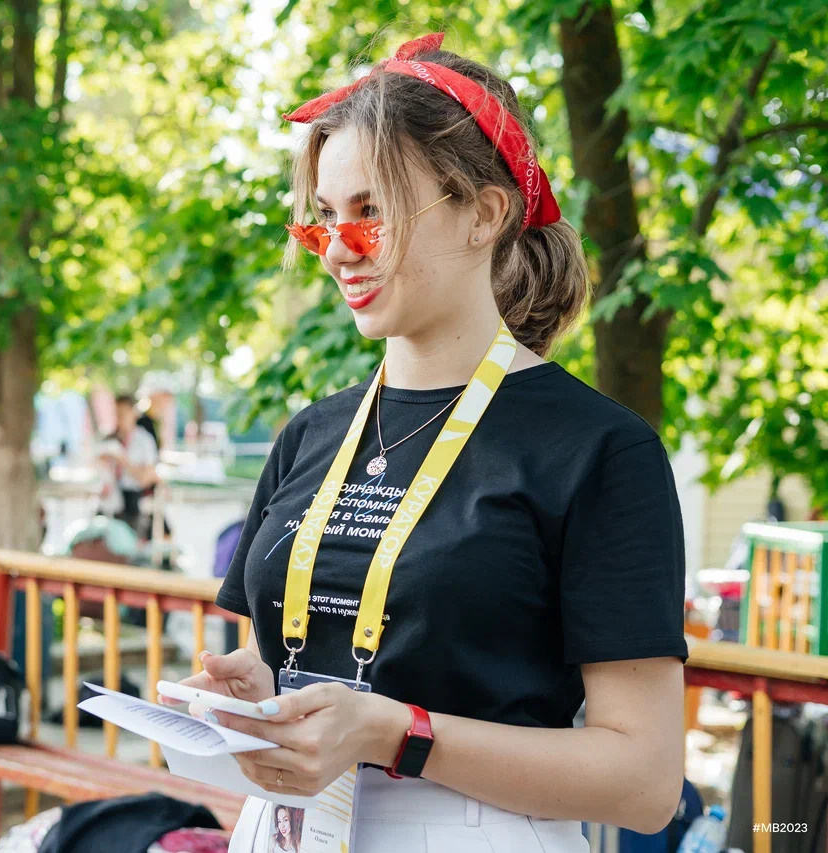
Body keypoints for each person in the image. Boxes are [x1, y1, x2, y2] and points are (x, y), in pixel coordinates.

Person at [163, 32, 685, 851]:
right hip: (288, 830)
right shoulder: (311, 432)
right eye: (325, 219)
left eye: (372, 212)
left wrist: (394, 732)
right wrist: (257, 694)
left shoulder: (599, 448)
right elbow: (321, 673)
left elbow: (646, 783)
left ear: (484, 213)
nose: (339, 248)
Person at [97, 394, 160, 534]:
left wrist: (123, 461)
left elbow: (146, 479)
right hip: (108, 502)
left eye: (123, 414)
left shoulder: (145, 441)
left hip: (132, 503)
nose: (119, 418)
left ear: (133, 414)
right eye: (116, 413)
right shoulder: (108, 439)